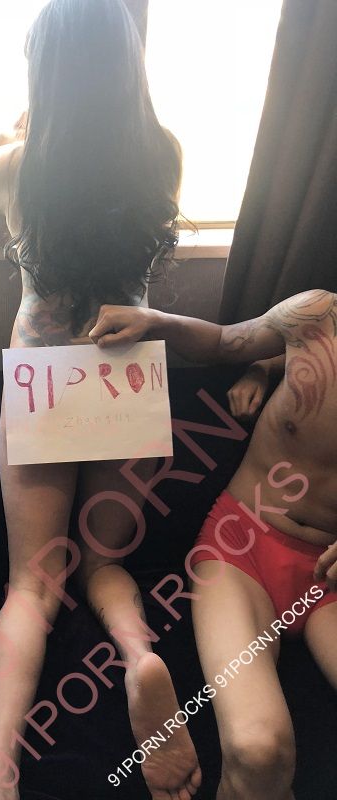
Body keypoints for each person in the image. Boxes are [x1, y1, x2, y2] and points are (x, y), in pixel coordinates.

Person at [0, 1, 202, 799]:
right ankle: (140, 656)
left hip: (42, 382)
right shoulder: (162, 155)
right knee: (106, 561)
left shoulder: (15, 168)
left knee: (31, 587)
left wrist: (8, 150)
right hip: (127, 380)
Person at [87, 289, 337, 799]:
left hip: (329, 581)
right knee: (258, 750)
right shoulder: (315, 315)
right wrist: (156, 320)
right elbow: (226, 342)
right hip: (241, 547)